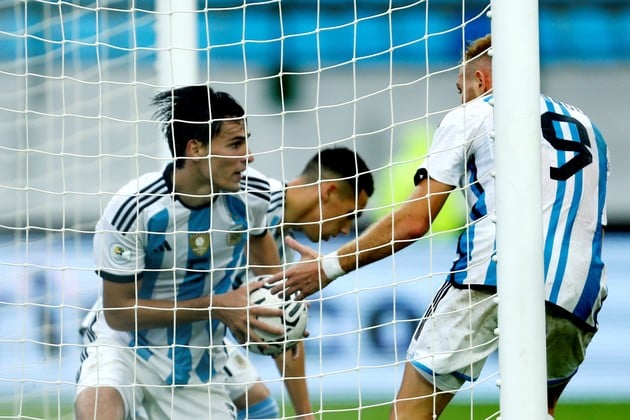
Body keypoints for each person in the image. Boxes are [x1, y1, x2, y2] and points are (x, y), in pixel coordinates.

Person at [269, 34, 609, 419]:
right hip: (580, 289)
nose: (461, 99)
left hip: (492, 273)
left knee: (410, 413)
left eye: (461, 89)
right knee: (535, 411)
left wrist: (329, 266)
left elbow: (414, 222)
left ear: (480, 80)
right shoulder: (589, 128)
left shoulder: (477, 112)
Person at [74, 86, 285, 420]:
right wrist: (217, 306)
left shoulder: (254, 194)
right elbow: (118, 312)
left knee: (264, 410)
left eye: (246, 142)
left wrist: (279, 299)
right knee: (98, 409)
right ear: (195, 149)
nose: (249, 156)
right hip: (126, 346)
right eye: (235, 144)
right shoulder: (135, 209)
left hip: (198, 361)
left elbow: (262, 248)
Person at [225, 147, 375, 419]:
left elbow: (284, 327)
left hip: (196, 337)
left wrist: (305, 415)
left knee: (262, 410)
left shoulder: (281, 247)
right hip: (156, 328)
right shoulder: (250, 195)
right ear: (329, 192)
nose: (346, 229)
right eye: (350, 214)